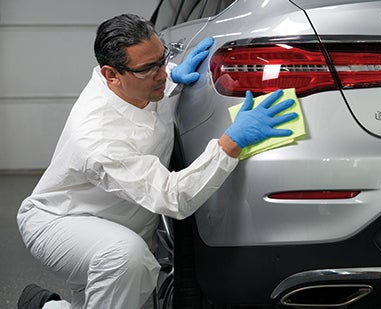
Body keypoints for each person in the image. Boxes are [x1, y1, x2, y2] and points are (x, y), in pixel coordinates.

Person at [16, 13, 297, 309]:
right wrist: (231, 143)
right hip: (60, 221)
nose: (162, 74)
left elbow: (153, 79)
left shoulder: (138, 85)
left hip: (115, 218)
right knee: (125, 258)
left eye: (162, 59)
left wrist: (173, 76)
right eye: (150, 69)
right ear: (112, 75)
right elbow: (175, 197)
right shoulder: (97, 137)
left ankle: (43, 306)